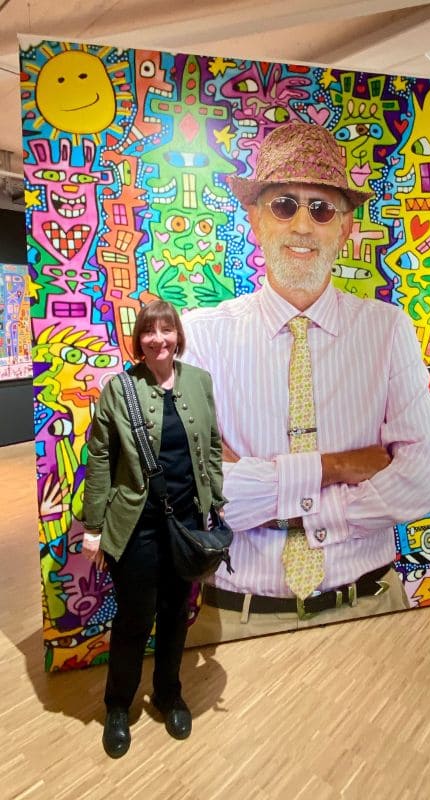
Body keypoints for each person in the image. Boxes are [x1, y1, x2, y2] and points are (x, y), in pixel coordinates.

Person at [183, 121, 430, 642]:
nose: (303, 225)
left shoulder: (387, 330)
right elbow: (196, 495)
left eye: (321, 208)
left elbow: (419, 482)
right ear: (256, 219)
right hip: (237, 619)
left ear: (345, 227)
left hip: (371, 608)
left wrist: (276, 494)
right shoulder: (200, 336)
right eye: (284, 205)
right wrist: (340, 467)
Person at [82, 299, 225, 758]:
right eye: (149, 331)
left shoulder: (200, 382)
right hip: (135, 526)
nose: (159, 339)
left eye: (167, 330)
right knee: (134, 619)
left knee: (176, 613)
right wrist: (93, 526)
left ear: (177, 336)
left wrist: (215, 500)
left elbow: (215, 446)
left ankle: (168, 692)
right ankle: (119, 706)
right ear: (139, 340)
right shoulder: (119, 390)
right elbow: (101, 457)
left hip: (186, 522)